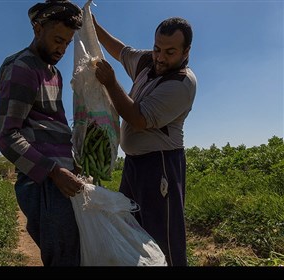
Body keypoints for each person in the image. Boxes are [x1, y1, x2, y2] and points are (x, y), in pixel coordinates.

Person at [92, 15, 197, 266]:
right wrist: (93, 26)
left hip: (160, 165)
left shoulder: (182, 83)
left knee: (162, 236)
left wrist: (110, 82)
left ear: (185, 52)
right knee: (131, 230)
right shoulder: (148, 63)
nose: (160, 57)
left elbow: (138, 118)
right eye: (157, 48)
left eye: (170, 52)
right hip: (134, 164)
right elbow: (121, 51)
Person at [0, 0, 83, 266]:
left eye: (67, 43)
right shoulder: (23, 68)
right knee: (64, 259)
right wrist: (54, 172)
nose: (62, 49)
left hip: (60, 179)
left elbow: (52, 126)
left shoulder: (53, 72)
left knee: (73, 254)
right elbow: (7, 136)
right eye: (58, 40)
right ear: (37, 29)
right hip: (44, 184)